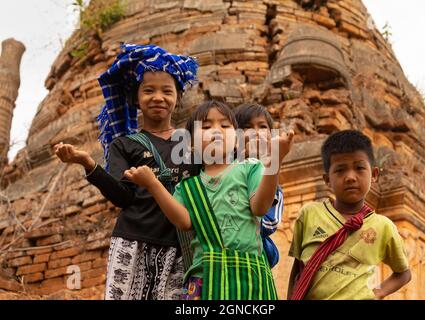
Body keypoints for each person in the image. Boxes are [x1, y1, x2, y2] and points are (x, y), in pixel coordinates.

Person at [54, 44, 199, 300]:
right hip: (132, 242)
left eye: (167, 91)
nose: (158, 97)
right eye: (149, 91)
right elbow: (123, 197)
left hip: (180, 245)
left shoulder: (192, 143)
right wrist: (88, 164)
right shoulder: (126, 144)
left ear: (177, 97)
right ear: (136, 99)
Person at [124, 100, 294, 300]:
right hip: (203, 278)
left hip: (250, 276)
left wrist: (275, 161)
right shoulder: (188, 187)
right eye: (206, 126)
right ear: (192, 145)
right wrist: (153, 185)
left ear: (237, 140)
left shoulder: (251, 168)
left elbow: (260, 207)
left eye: (224, 125)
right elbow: (184, 222)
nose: (216, 131)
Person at [288, 130, 411, 300]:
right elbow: (298, 269)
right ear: (327, 180)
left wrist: (377, 292)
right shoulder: (309, 214)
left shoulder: (383, 227)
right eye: (340, 170)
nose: (350, 177)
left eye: (359, 168)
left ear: (374, 174)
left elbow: (403, 273)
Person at [233, 103, 284, 268]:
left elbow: (270, 222)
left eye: (263, 127)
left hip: (252, 248)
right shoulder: (221, 172)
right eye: (247, 127)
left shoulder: (271, 183)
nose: (255, 132)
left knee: (270, 251)